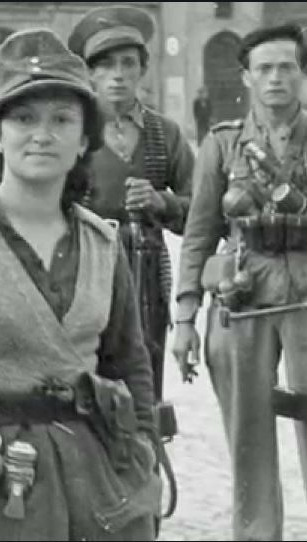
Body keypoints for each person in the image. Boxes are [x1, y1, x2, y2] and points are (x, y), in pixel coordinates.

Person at [0, 28, 160, 541]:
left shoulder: (102, 242)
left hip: (102, 485)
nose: (42, 134)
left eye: (62, 119)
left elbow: (130, 364)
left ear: (84, 140)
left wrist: (142, 461)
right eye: (23, 118)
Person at [172, 24, 307, 541]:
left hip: (306, 299)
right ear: (247, 77)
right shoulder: (224, 144)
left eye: (286, 67)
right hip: (244, 299)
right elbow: (199, 233)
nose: (276, 78)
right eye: (264, 68)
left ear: (301, 73)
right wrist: (186, 317)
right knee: (248, 435)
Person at [68, 5, 194, 403]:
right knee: (87, 378)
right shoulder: (73, 130)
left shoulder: (165, 133)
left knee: (144, 378)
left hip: (146, 275)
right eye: (105, 65)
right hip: (83, 270)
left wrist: (162, 202)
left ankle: (145, 438)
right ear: (89, 73)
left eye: (128, 63)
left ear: (143, 70)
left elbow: (200, 213)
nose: (118, 75)